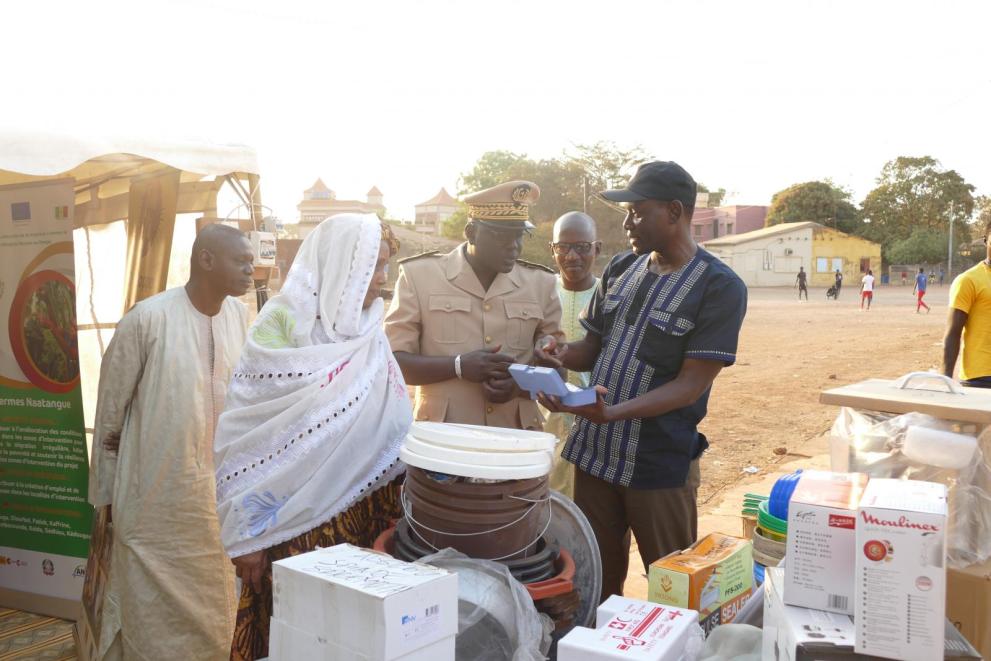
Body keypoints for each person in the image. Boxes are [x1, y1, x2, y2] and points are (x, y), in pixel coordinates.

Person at [534, 161, 747, 601]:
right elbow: (590, 347)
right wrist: (558, 357)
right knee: (595, 582)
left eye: (637, 211)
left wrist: (611, 412)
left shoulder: (719, 287)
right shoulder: (621, 269)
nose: (628, 222)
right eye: (626, 213)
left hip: (657, 466)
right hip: (594, 457)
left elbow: (690, 386)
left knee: (672, 587)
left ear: (673, 211)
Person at [214, 215, 413, 660]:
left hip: (364, 521)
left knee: (355, 638)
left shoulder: (369, 335)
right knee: (294, 636)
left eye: (385, 266)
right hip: (290, 532)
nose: (383, 280)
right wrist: (249, 538)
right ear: (342, 266)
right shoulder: (278, 332)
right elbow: (246, 438)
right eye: (374, 267)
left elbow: (394, 424)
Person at [87, 224, 253, 660]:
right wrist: (107, 498)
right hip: (153, 507)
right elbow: (109, 416)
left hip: (214, 506)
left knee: (217, 613)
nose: (251, 269)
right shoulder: (147, 319)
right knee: (147, 617)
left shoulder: (239, 316)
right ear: (206, 260)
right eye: (242, 260)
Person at [385, 181, 563, 430]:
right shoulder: (420, 277)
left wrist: (522, 385)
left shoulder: (540, 284)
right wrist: (457, 367)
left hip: (515, 443)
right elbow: (392, 363)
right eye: (502, 235)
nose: (513, 246)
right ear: (471, 232)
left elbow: (558, 373)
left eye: (519, 235)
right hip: (444, 441)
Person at [543, 211, 601, 497]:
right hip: (546, 419)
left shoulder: (611, 296)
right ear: (551, 249)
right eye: (563, 247)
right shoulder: (540, 293)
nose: (572, 256)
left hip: (595, 418)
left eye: (582, 247)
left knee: (592, 508)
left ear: (597, 249)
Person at [943, 221, 991, 387]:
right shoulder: (969, 280)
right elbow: (953, 333)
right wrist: (947, 382)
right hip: (982, 377)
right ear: (986, 240)